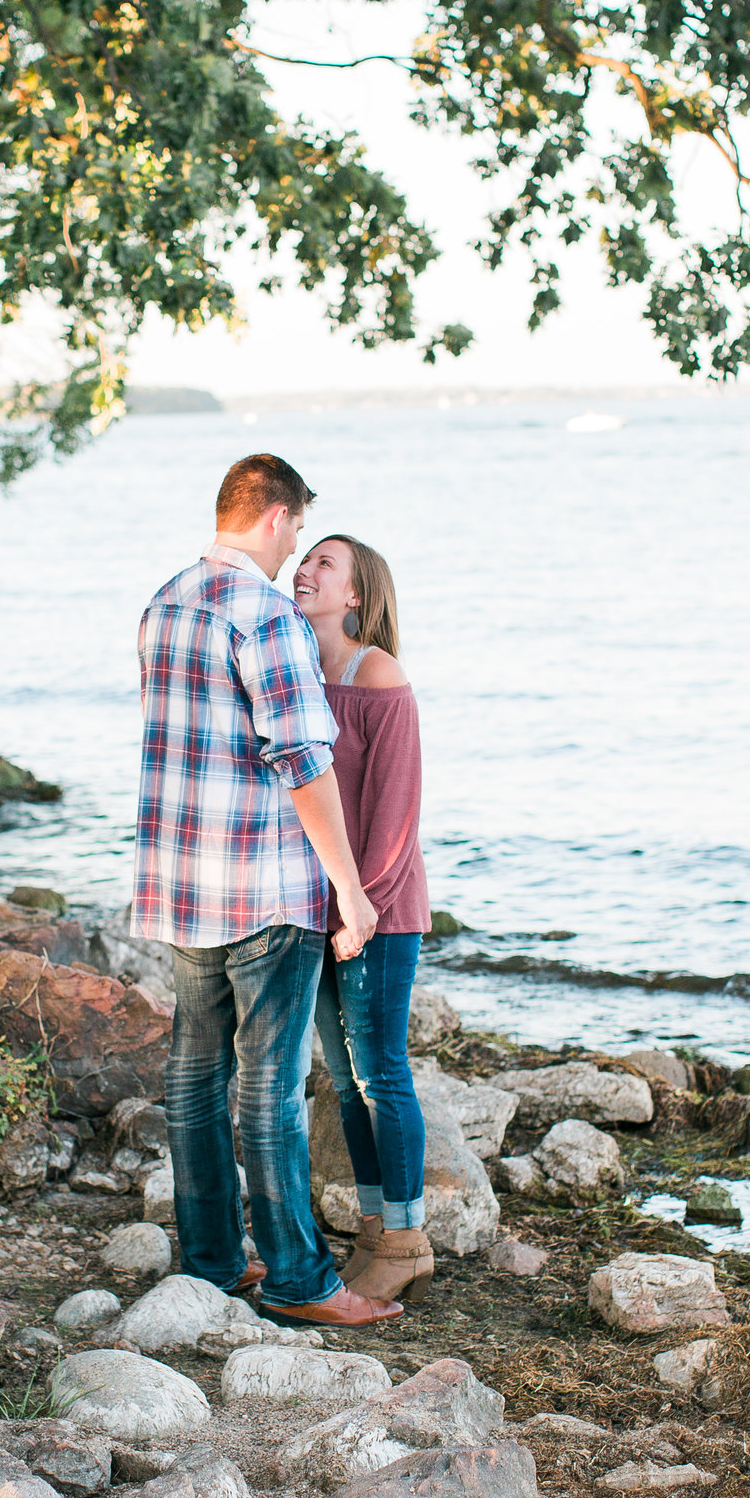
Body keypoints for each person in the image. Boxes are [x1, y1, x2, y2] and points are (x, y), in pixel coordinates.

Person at [131, 454, 401, 1328]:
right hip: (265, 890)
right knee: (270, 1089)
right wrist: (352, 894)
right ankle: (298, 1277)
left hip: (180, 882)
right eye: (298, 534)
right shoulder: (267, 617)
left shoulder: (162, 604)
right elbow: (305, 767)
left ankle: (212, 1260)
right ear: (279, 517)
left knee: (195, 1073)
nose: (296, 556)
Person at [292, 534, 434, 1300]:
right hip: (316, 912)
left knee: (382, 1074)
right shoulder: (298, 675)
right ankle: (380, 1231)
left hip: (377, 912)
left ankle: (409, 1239)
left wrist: (362, 906)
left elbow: (394, 812)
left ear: (356, 594)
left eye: (324, 565)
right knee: (346, 1085)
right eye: (303, 561)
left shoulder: (375, 673)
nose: (304, 571)